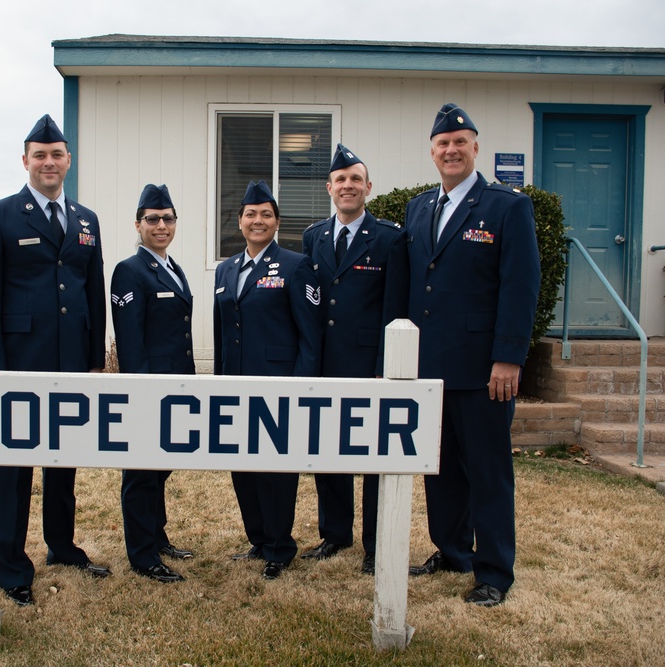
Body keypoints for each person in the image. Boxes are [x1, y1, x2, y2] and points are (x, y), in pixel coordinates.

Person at [0, 114, 110, 608]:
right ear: (25, 161)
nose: (49, 162)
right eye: (39, 155)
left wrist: (95, 361)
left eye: (57, 154)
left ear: (68, 160)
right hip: (18, 362)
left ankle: (62, 546)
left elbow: (94, 292)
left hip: (72, 360)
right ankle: (11, 565)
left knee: (63, 458)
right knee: (16, 467)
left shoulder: (86, 219)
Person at [404, 103, 540, 607]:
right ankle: (453, 549)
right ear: (433, 152)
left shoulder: (506, 206)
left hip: (484, 369)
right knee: (439, 471)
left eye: (460, 141)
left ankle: (493, 572)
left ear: (475, 147)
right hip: (430, 367)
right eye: (443, 143)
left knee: (487, 472)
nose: (451, 150)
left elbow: (521, 286)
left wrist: (509, 357)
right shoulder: (419, 208)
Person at [300, 144, 409, 574]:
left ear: (368, 187)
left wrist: (387, 363)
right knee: (329, 449)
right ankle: (334, 533)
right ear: (329, 188)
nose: (348, 186)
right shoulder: (313, 237)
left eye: (355, 179)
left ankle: (374, 544)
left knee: (373, 456)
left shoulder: (389, 238)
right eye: (340, 180)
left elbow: (395, 307)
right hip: (325, 361)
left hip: (369, 364)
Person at [213, 180, 322, 580]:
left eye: (266, 214)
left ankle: (280, 546)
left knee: (275, 469)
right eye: (250, 214)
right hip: (236, 386)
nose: (257, 221)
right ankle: (258, 539)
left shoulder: (296, 265)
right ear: (239, 221)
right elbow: (222, 329)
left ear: (277, 222)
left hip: (279, 386)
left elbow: (310, 336)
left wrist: (300, 388)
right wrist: (221, 384)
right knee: (242, 465)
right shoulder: (226, 269)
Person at [110, 184, 196, 583]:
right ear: (138, 224)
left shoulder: (171, 266)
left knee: (161, 468)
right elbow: (131, 341)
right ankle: (143, 556)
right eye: (153, 219)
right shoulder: (129, 270)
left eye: (168, 218)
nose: (161, 225)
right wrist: (140, 393)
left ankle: (156, 536)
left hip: (176, 388)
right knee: (141, 473)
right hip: (149, 389)